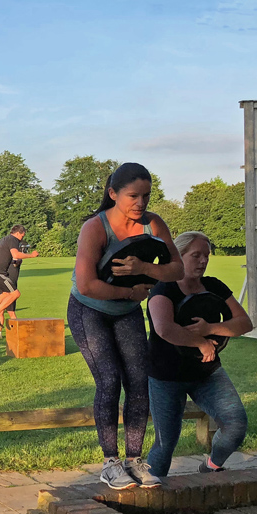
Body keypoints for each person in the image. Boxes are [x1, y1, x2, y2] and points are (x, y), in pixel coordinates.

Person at [69, 163, 183, 489]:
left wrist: (144, 267)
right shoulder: (95, 228)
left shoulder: (153, 224)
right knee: (109, 379)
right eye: (133, 195)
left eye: (146, 195)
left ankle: (134, 461)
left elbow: (176, 269)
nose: (141, 202)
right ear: (113, 194)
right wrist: (130, 291)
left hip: (127, 311)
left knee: (138, 381)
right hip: (89, 311)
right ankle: (110, 463)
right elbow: (88, 285)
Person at [146, 232, 252, 477]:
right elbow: (165, 329)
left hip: (207, 372)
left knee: (235, 424)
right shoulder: (163, 289)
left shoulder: (214, 286)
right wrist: (200, 343)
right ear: (180, 256)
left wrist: (211, 329)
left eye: (206, 255)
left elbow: (244, 323)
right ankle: (151, 490)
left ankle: (211, 467)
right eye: (196, 255)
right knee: (166, 443)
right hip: (165, 375)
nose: (203, 261)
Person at [0, 225, 39, 338]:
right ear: (18, 233)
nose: (22, 237)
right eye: (22, 235)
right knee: (15, 294)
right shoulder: (13, 239)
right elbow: (16, 255)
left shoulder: (4, 239)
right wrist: (32, 255)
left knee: (4, 293)